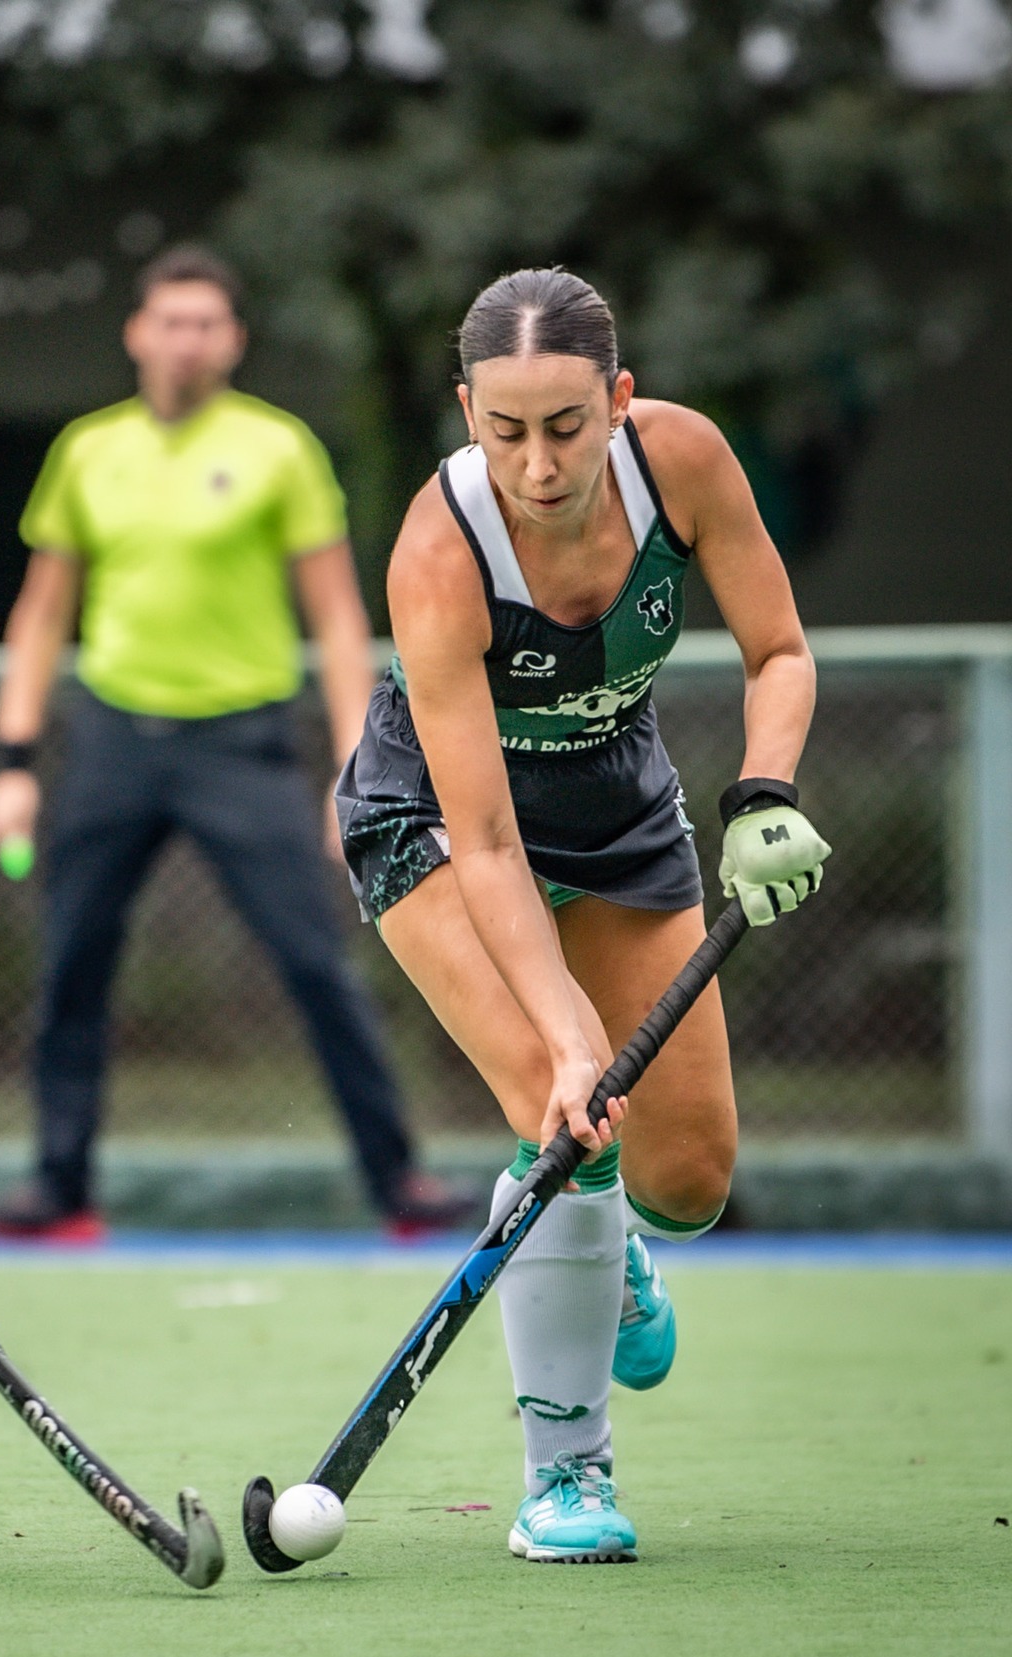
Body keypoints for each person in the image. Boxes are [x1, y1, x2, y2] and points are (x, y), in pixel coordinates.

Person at [339, 268, 829, 1562]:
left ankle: (607, 1244)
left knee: (688, 1179)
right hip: (439, 824)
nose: (538, 464)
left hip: (616, 808)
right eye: (504, 431)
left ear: (617, 398)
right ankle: (565, 1476)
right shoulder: (438, 554)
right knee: (556, 1108)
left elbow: (779, 652)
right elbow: (489, 840)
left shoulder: (684, 464)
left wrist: (764, 795)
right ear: (467, 413)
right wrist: (566, 1039)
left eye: (565, 426)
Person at [0, 245, 469, 1243]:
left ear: (234, 340)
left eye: (206, 323)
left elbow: (337, 619)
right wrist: (12, 764)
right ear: (137, 333)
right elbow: (40, 616)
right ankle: (61, 1191)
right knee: (71, 964)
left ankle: (399, 1186)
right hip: (113, 739)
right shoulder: (85, 451)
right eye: (170, 320)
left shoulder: (279, 448)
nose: (186, 339)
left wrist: (357, 767)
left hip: (242, 745)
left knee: (315, 962)